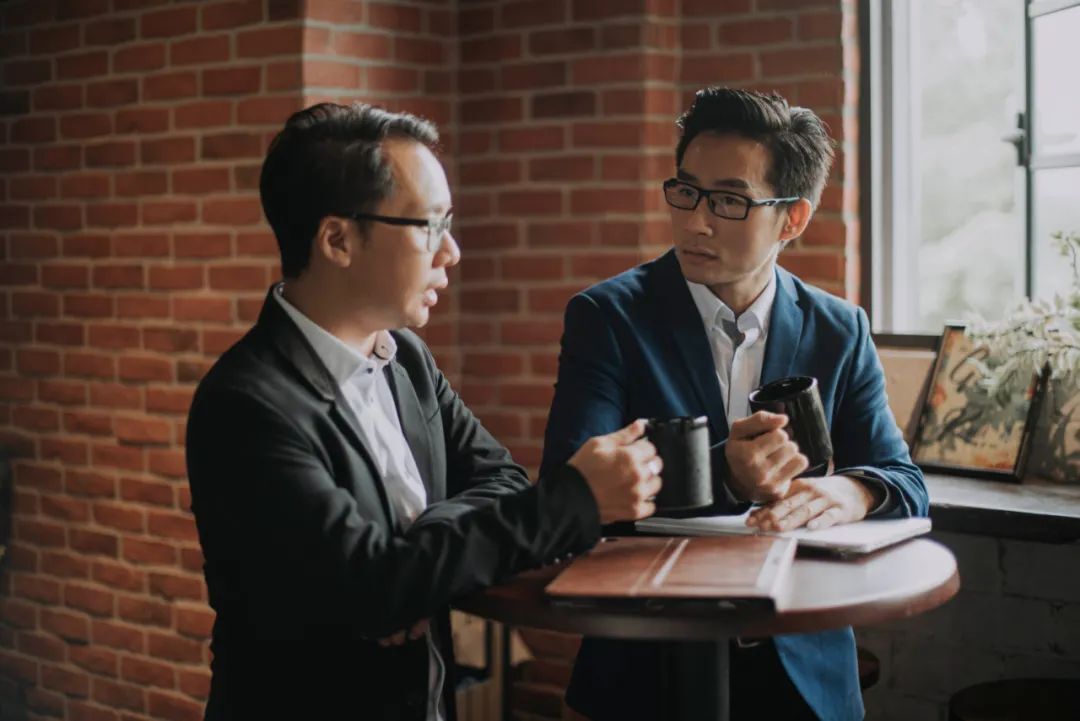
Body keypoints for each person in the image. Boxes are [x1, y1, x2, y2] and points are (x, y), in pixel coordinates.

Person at [184, 102, 664, 721]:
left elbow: (500, 479)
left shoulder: (406, 358)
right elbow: (373, 592)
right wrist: (573, 499)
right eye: (430, 226)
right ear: (337, 240)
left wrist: (418, 556)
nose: (452, 252)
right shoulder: (246, 406)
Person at [541, 87, 930, 721]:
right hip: (647, 666)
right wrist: (724, 473)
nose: (696, 222)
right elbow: (568, 491)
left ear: (793, 219)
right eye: (687, 192)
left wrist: (849, 492)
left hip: (803, 668)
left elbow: (904, 481)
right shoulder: (608, 318)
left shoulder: (839, 329)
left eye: (729, 201)